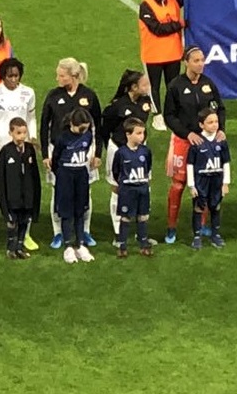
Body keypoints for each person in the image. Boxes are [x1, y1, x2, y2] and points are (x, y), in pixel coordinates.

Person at [163, 46, 226, 244]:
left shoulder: (209, 84)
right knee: (178, 184)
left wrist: (220, 129)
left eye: (202, 60)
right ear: (186, 62)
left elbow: (220, 108)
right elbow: (169, 116)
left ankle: (202, 225)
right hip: (184, 141)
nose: (201, 64)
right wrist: (187, 133)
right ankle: (171, 227)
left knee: (206, 182)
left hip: (206, 143)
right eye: (196, 60)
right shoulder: (176, 85)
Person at [39, 58, 102, 249]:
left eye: (61, 75)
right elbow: (44, 127)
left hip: (84, 152)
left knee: (85, 191)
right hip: (58, 152)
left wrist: (97, 153)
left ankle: (85, 231)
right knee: (58, 192)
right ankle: (58, 232)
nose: (57, 78)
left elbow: (97, 126)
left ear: (73, 76)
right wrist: (45, 154)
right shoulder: (53, 96)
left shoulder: (89, 96)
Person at [101, 70, 153, 246]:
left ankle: (141, 233)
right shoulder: (117, 106)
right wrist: (113, 147)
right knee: (117, 188)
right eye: (144, 84)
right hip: (118, 149)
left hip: (140, 150)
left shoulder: (146, 102)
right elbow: (105, 128)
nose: (148, 87)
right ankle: (118, 232)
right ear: (133, 87)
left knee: (143, 186)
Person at [138, 0, 185, 132]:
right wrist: (178, 25)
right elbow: (156, 28)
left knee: (173, 85)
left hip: (173, 52)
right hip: (153, 54)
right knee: (154, 87)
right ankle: (157, 115)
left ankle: (171, 114)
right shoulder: (146, 5)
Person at [52, 109, 96, 264]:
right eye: (80, 128)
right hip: (65, 176)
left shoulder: (88, 136)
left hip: (81, 176)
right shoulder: (62, 138)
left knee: (80, 211)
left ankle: (81, 244)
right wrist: (62, 174)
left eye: (85, 128)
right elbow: (55, 159)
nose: (83, 131)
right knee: (66, 212)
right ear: (72, 124)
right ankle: (68, 246)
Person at [187, 109, 231, 250]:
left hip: (216, 180)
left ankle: (215, 234)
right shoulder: (196, 142)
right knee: (199, 207)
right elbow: (190, 164)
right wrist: (191, 185)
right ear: (201, 125)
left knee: (215, 206)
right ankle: (197, 236)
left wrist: (226, 183)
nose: (214, 125)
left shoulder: (222, 142)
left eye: (216, 122)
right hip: (201, 180)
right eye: (210, 122)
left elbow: (226, 163)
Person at [111, 118, 153, 258]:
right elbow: (116, 171)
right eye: (138, 133)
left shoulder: (145, 151)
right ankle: (122, 245)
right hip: (127, 190)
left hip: (142, 188)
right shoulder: (121, 153)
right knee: (125, 217)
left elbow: (148, 166)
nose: (142, 136)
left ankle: (143, 244)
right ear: (128, 134)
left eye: (143, 133)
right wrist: (124, 182)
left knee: (143, 216)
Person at [0, 117, 40, 259]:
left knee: (24, 222)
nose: (22, 136)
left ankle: (20, 247)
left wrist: (35, 199)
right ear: (11, 133)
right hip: (12, 198)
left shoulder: (29, 150)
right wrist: (3, 206)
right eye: (18, 133)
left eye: (24, 133)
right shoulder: (5, 152)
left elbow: (35, 176)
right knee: (12, 223)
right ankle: (11, 249)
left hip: (27, 197)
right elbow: (1, 180)